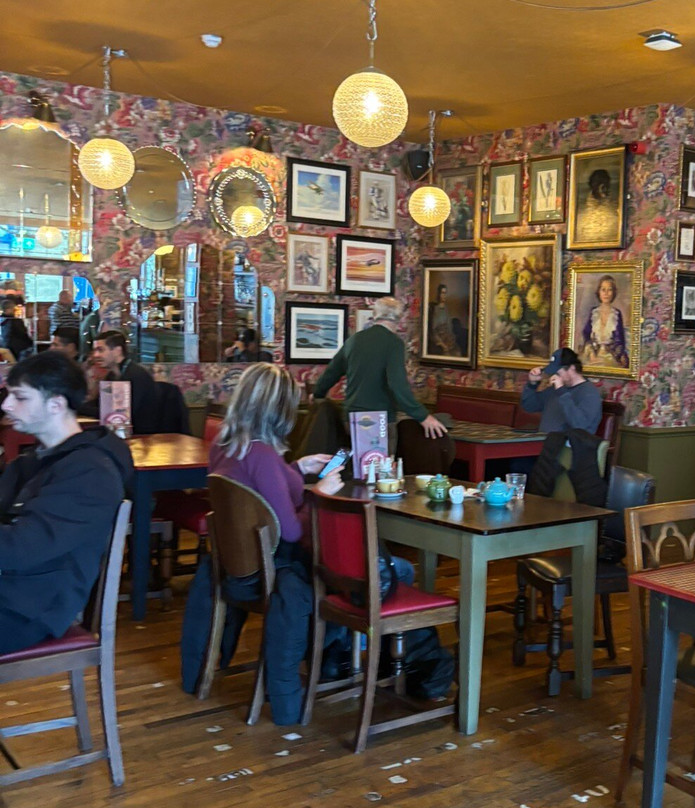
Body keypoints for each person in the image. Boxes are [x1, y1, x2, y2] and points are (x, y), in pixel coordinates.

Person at [179, 363, 413, 724]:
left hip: (237, 567)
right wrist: (318, 494)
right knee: (396, 571)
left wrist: (298, 468)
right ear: (279, 411)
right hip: (275, 567)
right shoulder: (263, 457)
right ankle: (351, 662)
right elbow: (288, 530)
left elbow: (259, 495)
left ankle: (336, 659)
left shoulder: (225, 447)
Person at [0, 352, 134, 655]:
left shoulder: (90, 472)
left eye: (20, 397)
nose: (6, 405)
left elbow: (22, 548)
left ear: (56, 404)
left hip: (30, 607)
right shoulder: (35, 460)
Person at [314, 297, 447, 447]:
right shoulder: (394, 343)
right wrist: (422, 416)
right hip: (378, 419)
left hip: (350, 417)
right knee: (379, 462)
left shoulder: (355, 340)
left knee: (356, 461)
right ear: (399, 317)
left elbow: (331, 373)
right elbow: (397, 384)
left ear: (374, 314)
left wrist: (317, 395)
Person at [78, 330, 157, 434]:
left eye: (100, 350)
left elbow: (118, 414)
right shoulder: (112, 374)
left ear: (117, 351)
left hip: (140, 435)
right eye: (95, 351)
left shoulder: (136, 375)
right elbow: (100, 403)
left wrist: (78, 407)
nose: (96, 355)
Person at [521, 347, 603, 434]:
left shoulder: (589, 393)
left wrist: (562, 392)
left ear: (572, 368)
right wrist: (532, 384)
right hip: (545, 440)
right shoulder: (555, 390)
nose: (555, 376)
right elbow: (529, 406)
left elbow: (580, 425)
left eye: (558, 373)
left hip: (569, 442)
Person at [580, 274, 628, 369]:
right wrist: (591, 353)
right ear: (599, 292)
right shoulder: (594, 312)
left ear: (613, 292)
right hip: (593, 353)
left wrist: (615, 355)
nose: (606, 293)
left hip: (611, 355)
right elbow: (586, 334)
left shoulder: (616, 314)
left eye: (609, 290)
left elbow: (620, 340)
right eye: (603, 290)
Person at [427, 284, 463, 357]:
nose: (444, 296)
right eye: (442, 293)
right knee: (447, 354)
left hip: (448, 338)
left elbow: (449, 327)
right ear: (438, 294)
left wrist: (451, 338)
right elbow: (433, 330)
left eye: (445, 293)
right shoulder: (435, 309)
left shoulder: (446, 309)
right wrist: (441, 344)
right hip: (439, 339)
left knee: (457, 352)